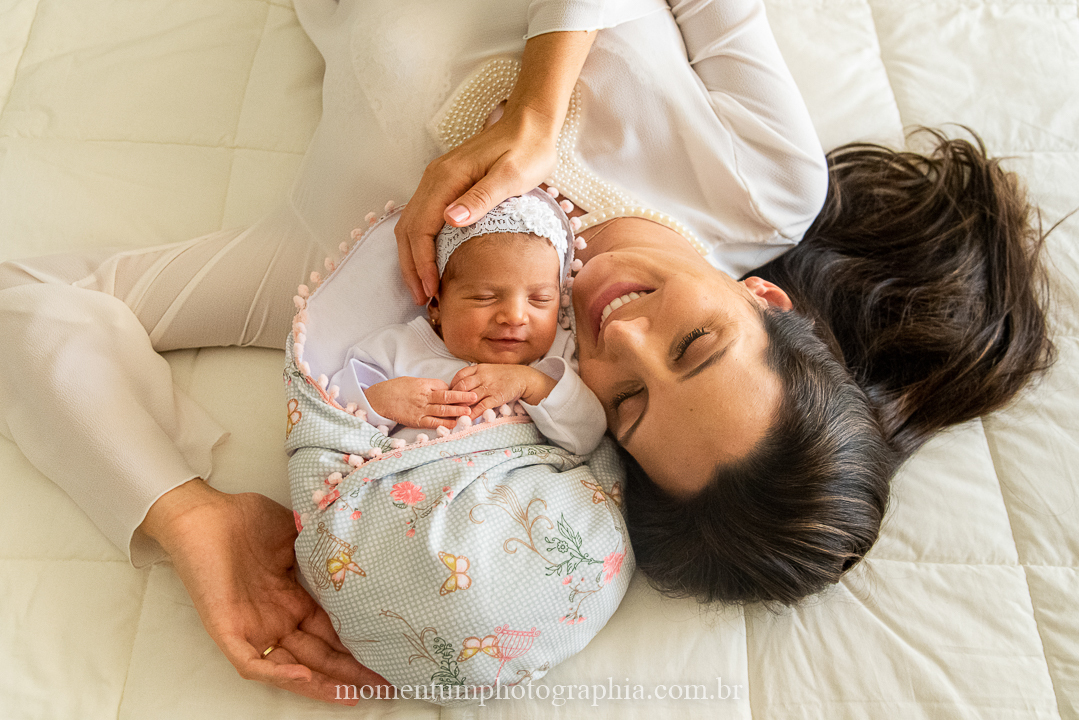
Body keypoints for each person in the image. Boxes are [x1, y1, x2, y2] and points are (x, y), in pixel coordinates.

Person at [0, 0, 1052, 706]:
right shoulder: (762, 185)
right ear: (764, 297)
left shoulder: (368, 297)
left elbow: (29, 298)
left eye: (627, 402)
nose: (619, 331)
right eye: (696, 341)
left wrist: (185, 514)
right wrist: (539, 109)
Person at [327, 189, 605, 455]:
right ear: (436, 304)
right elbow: (331, 412)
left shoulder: (558, 356)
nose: (515, 316)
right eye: (485, 297)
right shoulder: (396, 348)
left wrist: (531, 384)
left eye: (540, 299)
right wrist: (381, 401)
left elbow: (589, 434)